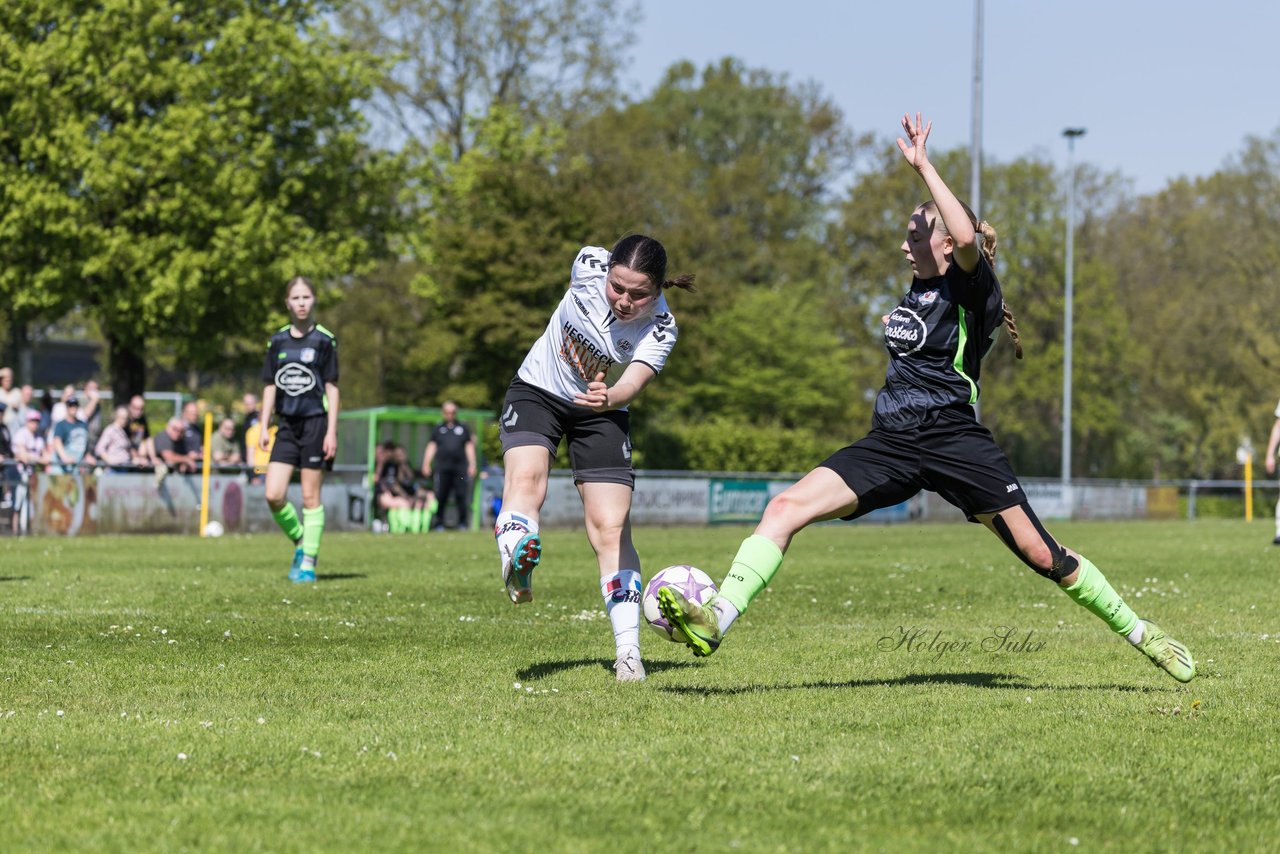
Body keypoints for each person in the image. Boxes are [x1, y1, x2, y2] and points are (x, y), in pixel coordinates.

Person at [658, 113, 1195, 685]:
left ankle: (1144, 634)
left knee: (1046, 557)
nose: (904, 244)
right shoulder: (919, 290)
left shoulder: (972, 281)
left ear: (946, 242)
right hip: (890, 441)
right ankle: (717, 620)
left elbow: (966, 238)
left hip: (953, 440)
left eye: (916, 235)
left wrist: (923, 166)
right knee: (784, 509)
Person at [493, 235, 695, 682]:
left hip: (601, 408)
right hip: (537, 391)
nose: (624, 301)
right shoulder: (586, 263)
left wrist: (610, 396)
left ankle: (628, 655)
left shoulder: (661, 327)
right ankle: (516, 555)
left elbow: (634, 382)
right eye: (617, 287)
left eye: (638, 293)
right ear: (605, 273)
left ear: (659, 289)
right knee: (527, 479)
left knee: (611, 527)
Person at [260, 276, 339, 583]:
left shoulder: (324, 340)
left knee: (310, 497)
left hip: (316, 423)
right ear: (287, 303)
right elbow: (269, 386)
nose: (302, 303)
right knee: (273, 494)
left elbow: (332, 388)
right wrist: (264, 423)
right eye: (296, 298)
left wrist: (331, 430)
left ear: (314, 300)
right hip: (287, 425)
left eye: (307, 297)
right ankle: (300, 540)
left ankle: (308, 562)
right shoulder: (277, 341)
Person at [422, 400, 476, 530]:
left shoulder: (463, 428)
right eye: (447, 412)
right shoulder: (438, 428)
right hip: (442, 468)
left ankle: (463, 523)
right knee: (441, 495)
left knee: (461, 495)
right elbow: (432, 446)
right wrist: (426, 463)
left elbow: (469, 446)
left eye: (453, 412)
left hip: (459, 468)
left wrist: (472, 464)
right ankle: (439, 523)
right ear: (443, 413)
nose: (450, 415)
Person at [50, 396, 94, 474]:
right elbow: (57, 442)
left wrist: (87, 455)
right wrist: (64, 457)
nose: (73, 407)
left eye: (75, 405)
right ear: (66, 407)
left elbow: (85, 442)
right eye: (70, 405)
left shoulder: (83, 424)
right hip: (61, 467)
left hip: (76, 467)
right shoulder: (61, 424)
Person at [95, 406, 139, 470]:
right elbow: (99, 448)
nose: (125, 420)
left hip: (124, 467)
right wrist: (110, 460)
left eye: (126, 418)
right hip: (114, 469)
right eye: (124, 418)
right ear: (117, 417)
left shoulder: (122, 431)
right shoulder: (110, 430)